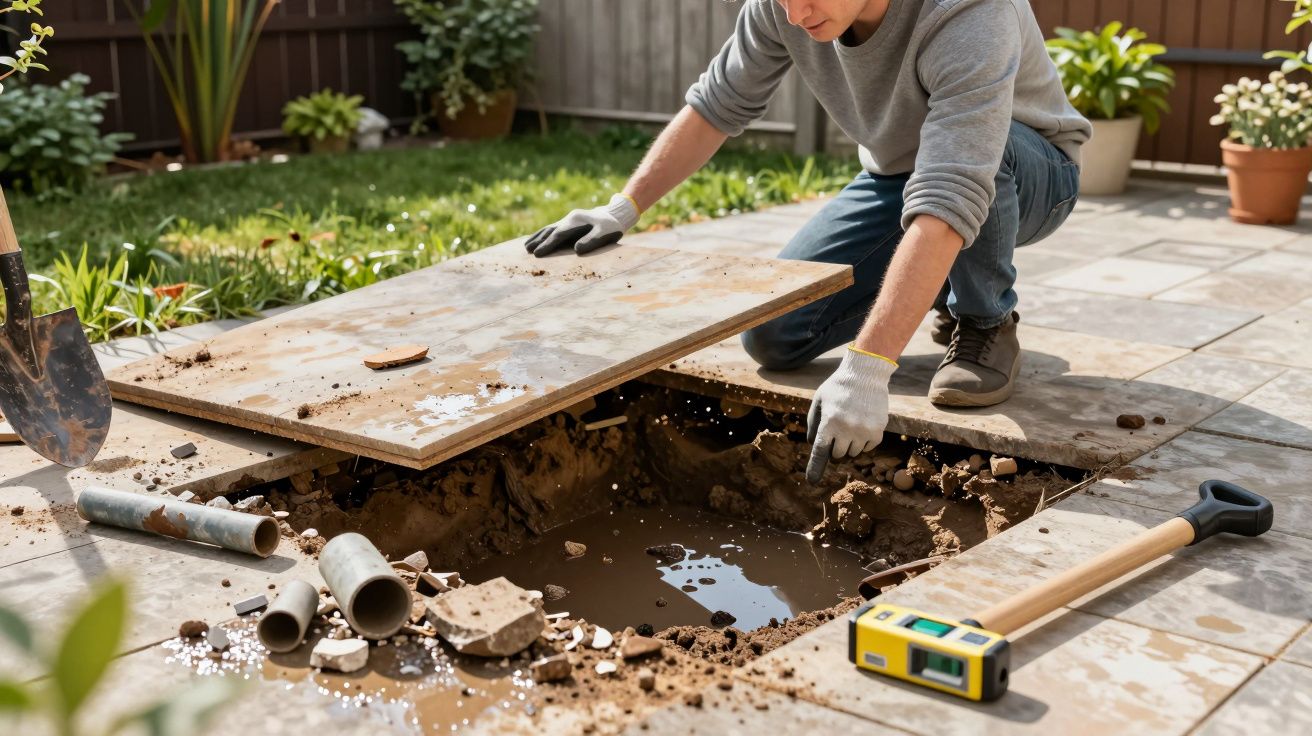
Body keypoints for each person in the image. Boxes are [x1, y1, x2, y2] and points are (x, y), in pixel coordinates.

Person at [524, 0, 1091, 482]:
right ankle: (935, 280)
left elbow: (954, 187)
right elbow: (718, 104)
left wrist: (870, 366)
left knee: (976, 173)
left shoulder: (969, 12)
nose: (794, 13)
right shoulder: (785, 5)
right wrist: (623, 208)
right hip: (900, 174)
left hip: (1030, 169)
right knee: (775, 336)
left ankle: (985, 320)